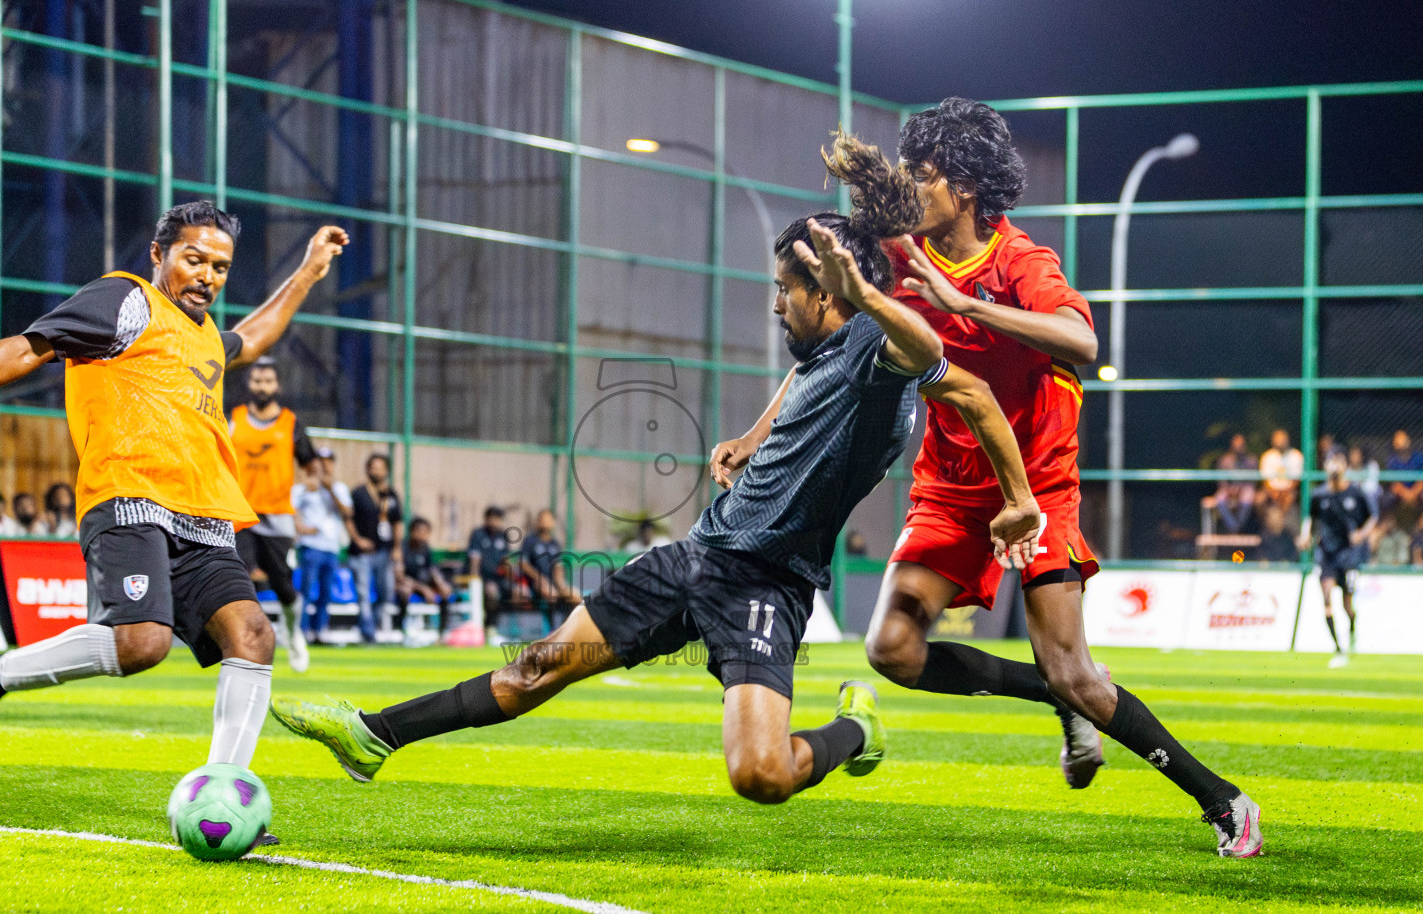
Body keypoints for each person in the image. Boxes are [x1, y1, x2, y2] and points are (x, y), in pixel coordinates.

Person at [268, 211, 1040, 807]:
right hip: (696, 556)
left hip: (766, 584)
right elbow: (803, 378)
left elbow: (966, 388)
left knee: (762, 776)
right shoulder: (825, 352)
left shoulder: (880, 345)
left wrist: (1018, 501)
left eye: (785, 291)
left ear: (829, 294)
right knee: (537, 669)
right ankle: (375, 735)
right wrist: (753, 434)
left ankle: (855, 728)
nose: (776, 306)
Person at [810, 108, 1261, 856]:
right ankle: (1056, 696)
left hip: (1040, 487)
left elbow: (1082, 340)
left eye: (925, 176)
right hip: (952, 487)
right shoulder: (902, 256)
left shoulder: (1020, 259)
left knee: (1078, 675)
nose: (916, 187)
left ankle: (1225, 803)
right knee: (891, 648)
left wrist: (965, 306)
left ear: (963, 188)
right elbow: (837, 339)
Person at [0, 200, 346, 773]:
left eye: (220, 267)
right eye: (194, 259)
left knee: (253, 636)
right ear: (159, 254)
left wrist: (306, 272)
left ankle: (223, 793)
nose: (207, 277)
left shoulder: (203, 338)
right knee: (141, 643)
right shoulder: (128, 300)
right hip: (130, 497)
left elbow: (251, 336)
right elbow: (30, 347)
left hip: (205, 514)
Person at [228, 357, 314, 671]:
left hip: (278, 515)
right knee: (241, 577)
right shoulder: (234, 419)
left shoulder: (290, 423)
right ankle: (244, 641)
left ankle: (294, 634)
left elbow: (310, 463)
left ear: (276, 385)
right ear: (248, 384)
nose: (262, 386)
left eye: (268, 381)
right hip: (241, 513)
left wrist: (312, 482)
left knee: (284, 587)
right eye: (256, 380)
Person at [1298, 452, 1377, 668]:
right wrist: (1306, 535)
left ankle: (1351, 630)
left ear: (1345, 466)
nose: (1334, 467)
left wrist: (1361, 534)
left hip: (1349, 555)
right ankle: (1338, 649)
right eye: (1330, 462)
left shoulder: (1356, 493)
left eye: (1338, 462)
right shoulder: (1318, 495)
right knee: (1326, 598)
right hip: (1327, 554)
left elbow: (1372, 517)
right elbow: (1310, 519)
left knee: (1347, 604)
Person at [290, 447, 353, 645]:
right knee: (307, 592)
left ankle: (319, 631)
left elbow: (347, 512)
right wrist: (301, 528)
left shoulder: (339, 488)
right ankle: (301, 632)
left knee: (326, 593)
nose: (325, 465)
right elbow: (290, 511)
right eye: (321, 460)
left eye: (328, 461)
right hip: (311, 546)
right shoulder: (302, 489)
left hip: (331, 548)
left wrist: (329, 488)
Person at [348, 453, 403, 643]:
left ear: (386, 471)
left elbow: (397, 522)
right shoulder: (359, 493)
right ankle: (367, 632)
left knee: (386, 591)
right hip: (362, 553)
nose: (376, 471)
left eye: (380, 468)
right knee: (363, 593)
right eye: (373, 467)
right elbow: (348, 519)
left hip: (383, 552)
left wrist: (397, 547)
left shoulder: (391, 495)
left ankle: (373, 624)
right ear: (367, 469)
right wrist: (357, 539)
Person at [517, 508, 581, 631]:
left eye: (548, 519)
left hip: (553, 584)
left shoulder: (555, 544)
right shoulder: (530, 541)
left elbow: (558, 567)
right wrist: (540, 579)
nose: (544, 522)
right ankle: (553, 629)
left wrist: (561, 585)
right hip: (535, 584)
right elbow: (522, 563)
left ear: (553, 522)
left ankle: (568, 628)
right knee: (550, 592)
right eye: (542, 519)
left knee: (574, 595)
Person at [397, 516, 453, 638]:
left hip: (423, 587)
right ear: (412, 531)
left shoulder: (426, 548)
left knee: (444, 593)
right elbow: (400, 577)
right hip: (408, 586)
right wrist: (423, 589)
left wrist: (441, 584)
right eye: (419, 531)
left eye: (426, 532)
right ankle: (401, 630)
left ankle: (442, 634)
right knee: (404, 591)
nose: (422, 535)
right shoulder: (402, 548)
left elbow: (432, 569)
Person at [465, 505, 512, 641]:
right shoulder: (478, 534)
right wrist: (475, 582)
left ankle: (495, 628)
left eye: (497, 519)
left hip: (498, 578)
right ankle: (489, 628)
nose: (494, 522)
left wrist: (514, 581)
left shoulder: (503, 535)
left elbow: (506, 560)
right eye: (491, 518)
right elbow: (475, 559)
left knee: (516, 592)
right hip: (482, 578)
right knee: (491, 592)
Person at [1213, 433, 1258, 533]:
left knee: (1248, 498)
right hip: (1228, 489)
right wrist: (1227, 489)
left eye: (1241, 445)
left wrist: (1240, 490)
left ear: (1244, 446)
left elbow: (1252, 481)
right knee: (1219, 498)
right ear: (1232, 446)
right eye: (1236, 445)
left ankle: (1238, 526)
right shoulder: (1225, 460)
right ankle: (1233, 526)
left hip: (1244, 489)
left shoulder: (1251, 460)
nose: (1238, 448)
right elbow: (1221, 479)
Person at [1259, 429, 1304, 514]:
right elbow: (1265, 480)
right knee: (1259, 499)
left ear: (1287, 441)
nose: (1280, 443)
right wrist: (1273, 492)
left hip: (1290, 490)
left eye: (1282, 440)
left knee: (1289, 498)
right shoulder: (1267, 456)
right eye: (1277, 440)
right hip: (1271, 490)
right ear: (1273, 441)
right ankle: (1268, 525)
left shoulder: (1296, 455)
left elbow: (1297, 480)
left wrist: (1285, 492)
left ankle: (1282, 526)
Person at [1385, 430, 1423, 525]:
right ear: (1395, 446)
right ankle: (1389, 523)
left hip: (1417, 490)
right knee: (1387, 499)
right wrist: (1406, 494)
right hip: (1400, 492)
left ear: (1409, 442)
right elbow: (1394, 483)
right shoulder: (1392, 461)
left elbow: (1421, 480)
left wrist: (1413, 493)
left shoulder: (1419, 458)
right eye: (1399, 444)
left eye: (1404, 442)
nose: (1403, 446)